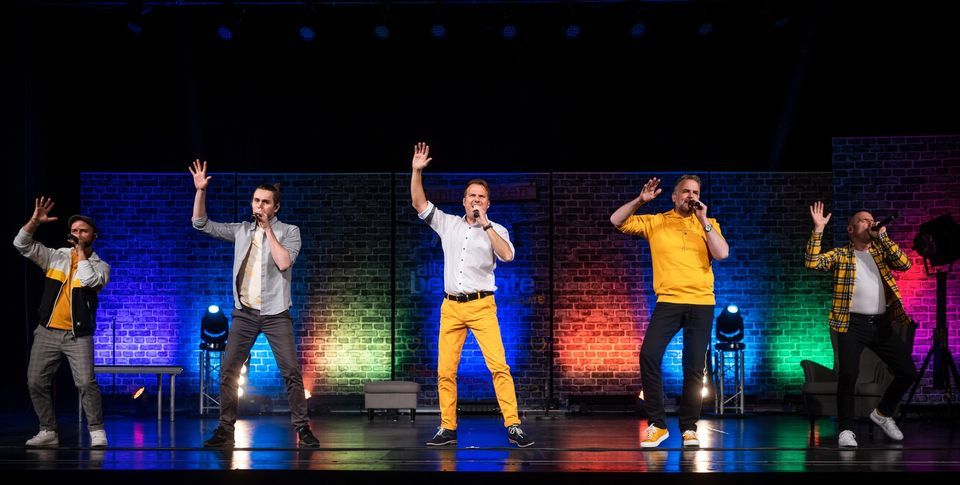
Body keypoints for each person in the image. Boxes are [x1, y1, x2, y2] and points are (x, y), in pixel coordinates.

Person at [410, 142, 534, 448]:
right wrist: (416, 171)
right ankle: (447, 427)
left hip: (482, 306)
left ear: (487, 203)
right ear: (463, 201)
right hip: (451, 307)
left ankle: (513, 425)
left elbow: (508, 255)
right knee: (445, 371)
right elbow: (418, 203)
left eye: (481, 197)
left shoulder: (497, 229)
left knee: (499, 367)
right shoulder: (448, 224)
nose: (476, 200)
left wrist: (486, 225)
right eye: (471, 196)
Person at [190, 159, 319, 448]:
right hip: (245, 314)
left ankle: (302, 428)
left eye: (265, 202)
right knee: (228, 371)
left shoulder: (290, 231)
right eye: (256, 200)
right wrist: (200, 191)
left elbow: (284, 263)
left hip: (276, 315)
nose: (259, 205)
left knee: (291, 372)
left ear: (276, 207)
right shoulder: (241, 231)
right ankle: (225, 429)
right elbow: (201, 224)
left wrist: (268, 230)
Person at [610, 175, 729, 448]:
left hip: (701, 302)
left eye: (695, 192)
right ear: (675, 197)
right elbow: (616, 220)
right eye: (685, 191)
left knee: (694, 366)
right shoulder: (657, 222)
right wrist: (640, 201)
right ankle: (658, 424)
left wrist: (704, 220)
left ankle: (689, 428)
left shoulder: (708, 223)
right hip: (669, 300)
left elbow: (722, 253)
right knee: (649, 355)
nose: (691, 196)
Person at [805, 201, 917, 447]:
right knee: (848, 374)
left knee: (908, 371)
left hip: (881, 324)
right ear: (851, 229)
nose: (870, 223)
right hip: (851, 323)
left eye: (872, 219)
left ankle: (883, 413)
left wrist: (883, 238)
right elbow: (812, 262)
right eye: (864, 220)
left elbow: (905, 264)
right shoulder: (841, 254)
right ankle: (846, 429)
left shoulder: (881, 253)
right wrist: (818, 229)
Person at [15, 197, 111, 448]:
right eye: (74, 230)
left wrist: (80, 254)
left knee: (86, 383)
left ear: (94, 236)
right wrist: (35, 221)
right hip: (47, 331)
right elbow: (21, 244)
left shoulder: (101, 266)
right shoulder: (55, 257)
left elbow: (89, 281)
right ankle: (48, 430)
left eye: (83, 231)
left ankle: (96, 430)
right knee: (36, 381)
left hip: (77, 335)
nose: (78, 234)